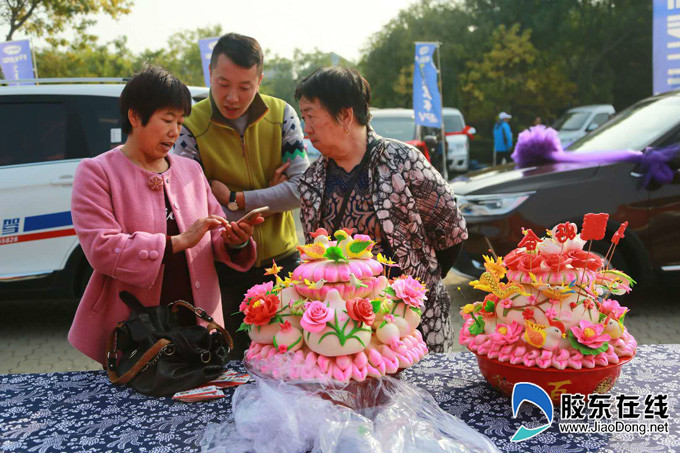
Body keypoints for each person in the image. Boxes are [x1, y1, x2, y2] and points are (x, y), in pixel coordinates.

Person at [68, 66, 262, 365]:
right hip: (136, 330)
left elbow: (212, 236)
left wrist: (235, 240)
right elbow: (101, 249)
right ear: (135, 116)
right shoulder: (97, 172)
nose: (175, 131)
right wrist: (177, 242)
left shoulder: (190, 170)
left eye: (180, 122)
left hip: (198, 326)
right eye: (167, 120)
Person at [295, 67, 468, 353]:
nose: (307, 129)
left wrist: (422, 280)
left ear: (345, 115)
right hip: (345, 331)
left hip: (411, 323)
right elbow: (316, 254)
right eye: (304, 118)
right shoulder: (313, 179)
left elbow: (452, 232)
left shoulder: (402, 160)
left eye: (311, 116)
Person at [173, 33, 309, 357]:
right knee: (233, 364)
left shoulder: (282, 115)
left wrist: (234, 198)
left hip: (282, 263)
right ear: (209, 73)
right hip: (224, 268)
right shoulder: (189, 125)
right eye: (223, 84)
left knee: (291, 361)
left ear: (260, 79)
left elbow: (303, 188)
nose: (232, 97)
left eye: (245, 87)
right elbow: (191, 209)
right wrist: (275, 195)